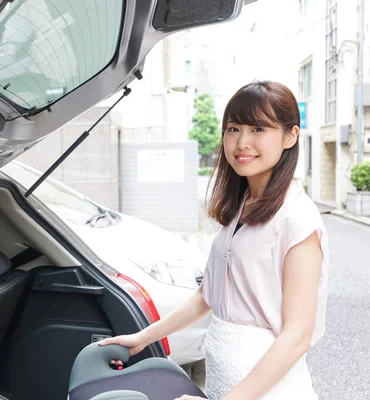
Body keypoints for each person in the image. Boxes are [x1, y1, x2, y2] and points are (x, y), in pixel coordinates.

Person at [100, 81, 329, 400]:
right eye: (234, 128)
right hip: (228, 381)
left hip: (269, 388)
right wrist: (142, 338)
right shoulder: (243, 204)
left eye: (258, 128)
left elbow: (297, 336)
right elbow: (207, 295)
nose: (242, 142)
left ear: (290, 136)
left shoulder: (297, 219)